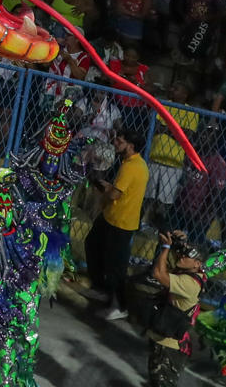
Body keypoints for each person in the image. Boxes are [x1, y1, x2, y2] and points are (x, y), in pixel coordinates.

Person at [86, 126, 148, 321]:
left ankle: (121, 305)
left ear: (130, 146)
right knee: (93, 244)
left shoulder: (132, 167)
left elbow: (115, 194)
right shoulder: (131, 163)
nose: (115, 143)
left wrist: (104, 189)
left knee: (116, 266)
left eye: (120, 141)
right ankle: (101, 289)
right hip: (110, 217)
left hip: (121, 223)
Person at [145, 231, 204, 387]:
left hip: (170, 345)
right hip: (165, 337)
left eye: (187, 256)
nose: (181, 257)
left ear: (197, 264)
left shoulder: (188, 283)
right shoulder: (195, 273)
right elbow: (177, 260)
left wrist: (165, 247)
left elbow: (158, 273)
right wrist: (180, 242)